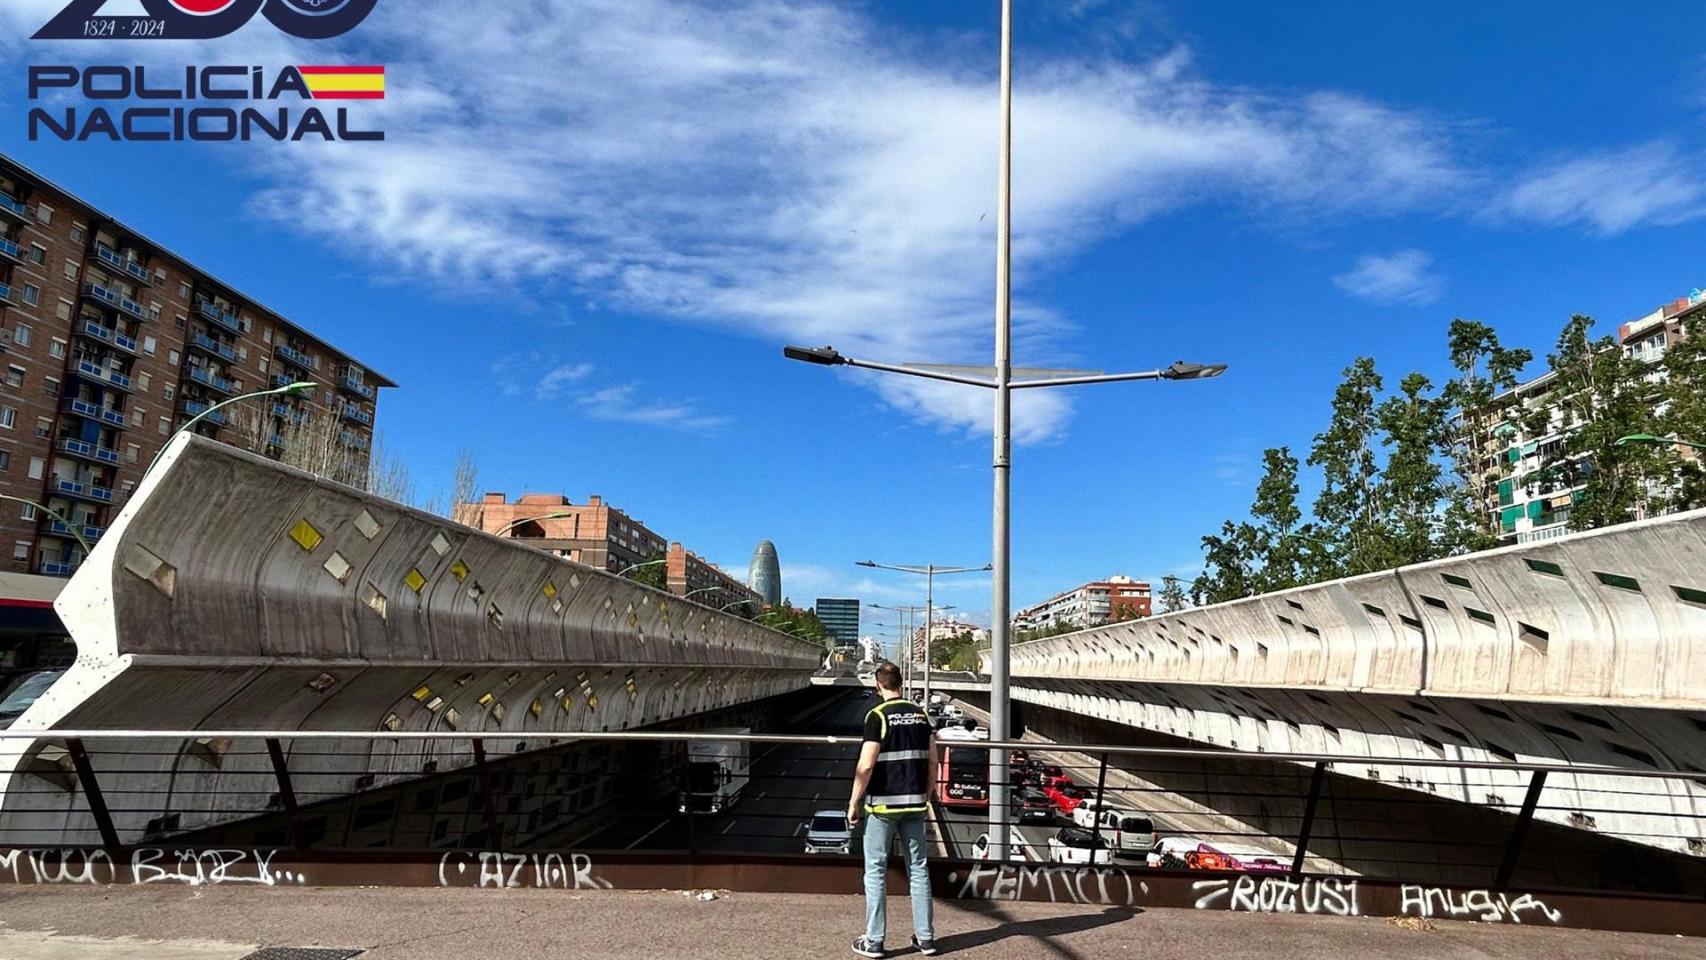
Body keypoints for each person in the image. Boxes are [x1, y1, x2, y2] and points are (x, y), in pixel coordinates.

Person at [847, 661, 937, 958]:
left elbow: (866, 764)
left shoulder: (877, 716)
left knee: (875, 870)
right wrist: (927, 794)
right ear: (901, 683)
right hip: (915, 803)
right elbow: (934, 761)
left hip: (883, 805)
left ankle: (874, 941)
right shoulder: (921, 715)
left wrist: (854, 802)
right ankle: (925, 939)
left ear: (878, 685)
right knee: (919, 869)